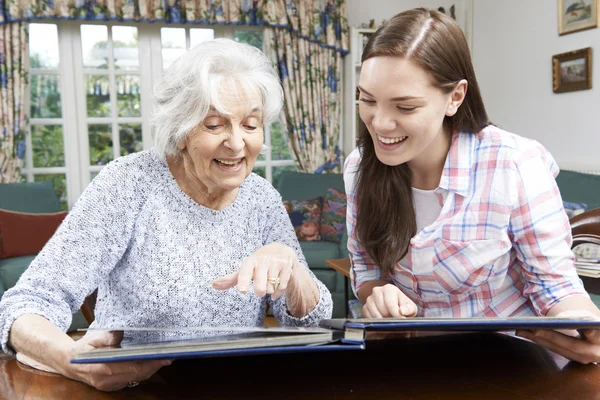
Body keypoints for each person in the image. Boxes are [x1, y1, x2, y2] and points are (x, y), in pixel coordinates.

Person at [0, 38, 333, 391]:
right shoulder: (129, 183)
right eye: (215, 125)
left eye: (250, 125)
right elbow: (26, 304)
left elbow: (310, 323)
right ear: (181, 129)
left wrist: (291, 267)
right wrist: (74, 362)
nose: (237, 143)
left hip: (235, 387)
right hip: (135, 389)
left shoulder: (262, 198)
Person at [344, 8, 600, 364]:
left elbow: (555, 286)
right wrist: (378, 292)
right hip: (411, 362)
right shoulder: (360, 167)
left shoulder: (513, 162)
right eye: (367, 100)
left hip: (512, 364)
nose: (381, 123)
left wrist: (586, 326)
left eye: (404, 106)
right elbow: (366, 267)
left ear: (455, 97)